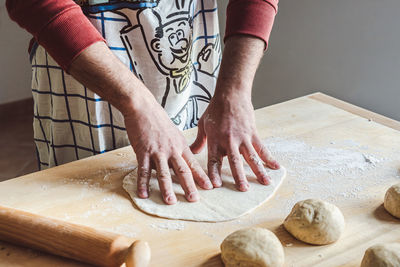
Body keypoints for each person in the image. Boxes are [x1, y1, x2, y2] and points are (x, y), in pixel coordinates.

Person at [6, 0, 280, 205]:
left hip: (188, 77)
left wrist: (235, 91)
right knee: (87, 210)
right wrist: (138, 103)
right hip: (84, 88)